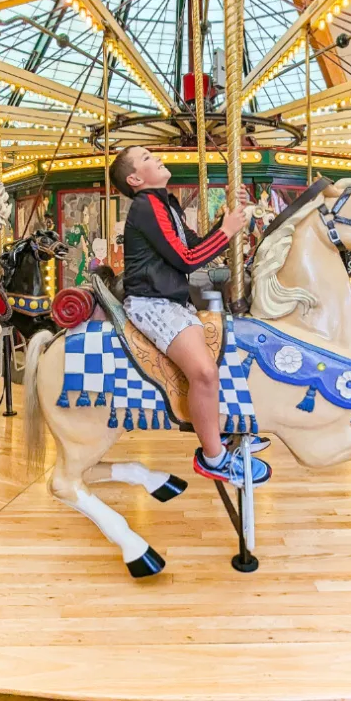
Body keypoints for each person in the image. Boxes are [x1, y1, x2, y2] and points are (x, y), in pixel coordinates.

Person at [109, 146, 268, 486]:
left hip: (172, 302)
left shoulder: (166, 204)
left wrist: (227, 215)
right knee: (204, 372)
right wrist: (227, 229)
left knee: (219, 356)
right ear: (136, 179)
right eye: (147, 157)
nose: (156, 157)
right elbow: (188, 259)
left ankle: (223, 432)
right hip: (152, 303)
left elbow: (194, 243)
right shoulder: (145, 206)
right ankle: (213, 459)